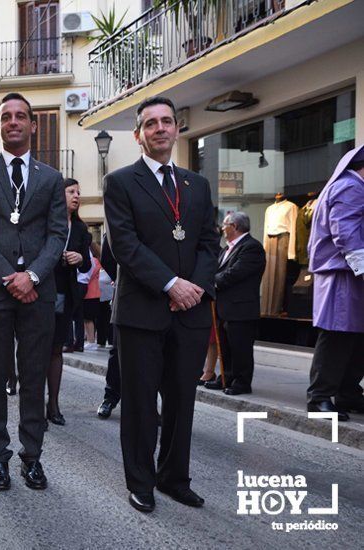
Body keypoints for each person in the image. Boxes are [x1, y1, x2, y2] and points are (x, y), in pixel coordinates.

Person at [103, 96, 219, 513]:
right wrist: (172, 285)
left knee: (181, 400)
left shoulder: (197, 185)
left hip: (190, 313)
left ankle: (174, 478)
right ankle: (142, 482)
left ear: (176, 128)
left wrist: (196, 289)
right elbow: (126, 246)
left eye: (167, 121)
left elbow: (210, 243)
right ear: (138, 135)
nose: (160, 128)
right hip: (141, 312)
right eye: (150, 123)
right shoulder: (120, 182)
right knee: (138, 403)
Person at [0, 92, 67, 491]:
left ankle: (32, 457)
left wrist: (33, 277)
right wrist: (9, 277)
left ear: (33, 125)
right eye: (6, 117)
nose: (13, 122)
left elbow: (58, 235)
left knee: (34, 376)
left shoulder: (52, 178)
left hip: (37, 293)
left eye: (21, 116)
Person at [306, 144, 364, 421]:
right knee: (338, 334)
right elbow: (346, 232)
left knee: (353, 336)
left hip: (346, 273)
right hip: (343, 274)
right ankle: (319, 398)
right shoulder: (351, 187)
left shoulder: (347, 185)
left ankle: (347, 393)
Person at [204, 211, 265, 395]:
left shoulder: (251, 247)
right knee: (226, 346)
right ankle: (227, 377)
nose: (222, 228)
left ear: (235, 226)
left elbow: (235, 273)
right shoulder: (226, 248)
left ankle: (242, 382)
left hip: (241, 308)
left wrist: (211, 281)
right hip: (224, 307)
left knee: (241, 348)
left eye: (225, 224)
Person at [48, 178, 90, 425]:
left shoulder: (81, 229)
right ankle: (29, 400)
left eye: (78, 192)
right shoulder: (47, 222)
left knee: (55, 349)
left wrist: (78, 257)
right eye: (71, 191)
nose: (76, 195)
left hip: (66, 293)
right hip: (42, 291)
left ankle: (53, 405)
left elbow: (86, 261)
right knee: (38, 349)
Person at [96, 235, 122, 419]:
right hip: (126, 296)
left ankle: (150, 406)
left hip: (158, 299)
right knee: (117, 353)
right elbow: (107, 259)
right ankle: (110, 398)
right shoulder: (117, 224)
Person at [82, 243, 102, 349]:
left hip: (91, 293)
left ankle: (91, 340)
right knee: (86, 318)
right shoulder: (95, 260)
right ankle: (89, 338)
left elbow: (89, 274)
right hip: (89, 293)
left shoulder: (94, 261)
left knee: (89, 318)